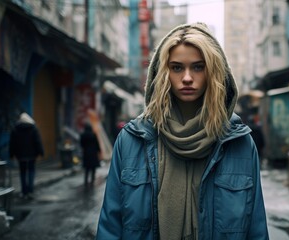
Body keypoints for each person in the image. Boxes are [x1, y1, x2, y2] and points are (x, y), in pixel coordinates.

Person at [97, 22, 269, 239]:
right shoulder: (132, 141)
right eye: (177, 67)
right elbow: (110, 226)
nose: (187, 77)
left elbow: (256, 229)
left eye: (198, 67)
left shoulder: (239, 143)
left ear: (213, 72)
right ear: (162, 73)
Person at [9, 112, 44, 199]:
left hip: (21, 156)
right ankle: (30, 191)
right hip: (32, 155)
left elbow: (12, 143)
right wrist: (41, 152)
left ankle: (24, 192)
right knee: (31, 172)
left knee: (23, 173)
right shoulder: (33, 129)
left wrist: (11, 154)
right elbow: (37, 142)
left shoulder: (16, 129)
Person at [80, 122, 101, 187]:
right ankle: (92, 180)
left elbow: (81, 144)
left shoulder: (83, 135)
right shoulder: (93, 135)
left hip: (86, 153)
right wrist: (99, 150)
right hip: (93, 153)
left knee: (87, 169)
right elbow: (97, 144)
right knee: (93, 168)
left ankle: (86, 181)